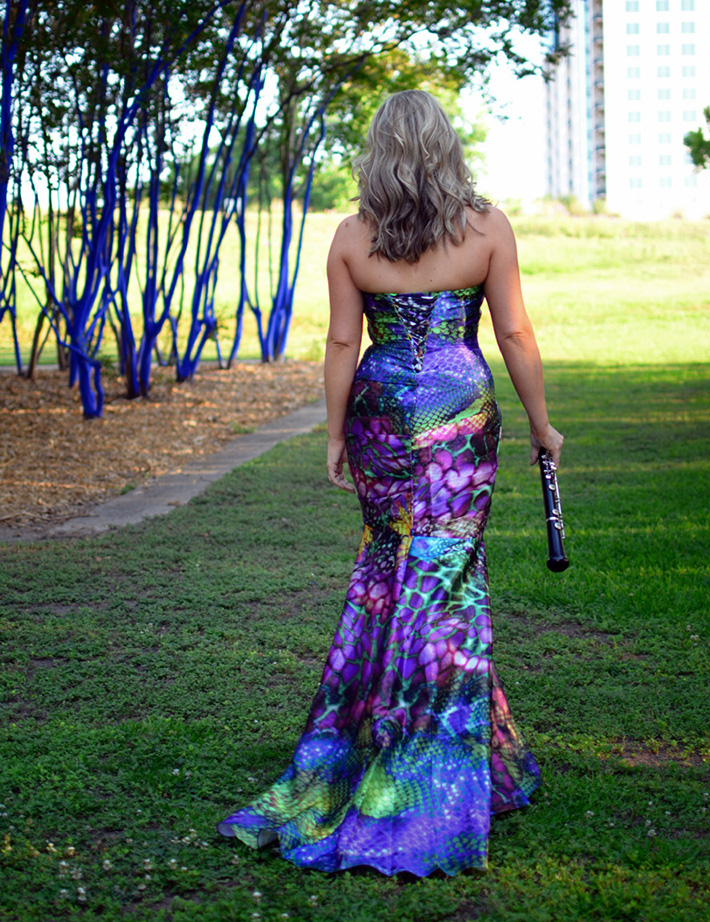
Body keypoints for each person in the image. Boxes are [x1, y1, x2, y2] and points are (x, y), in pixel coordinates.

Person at [217, 90, 564, 877]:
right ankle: (433, 757)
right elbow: (513, 330)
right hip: (458, 409)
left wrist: (336, 432)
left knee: (388, 570)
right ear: (446, 148)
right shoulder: (486, 228)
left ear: (377, 152)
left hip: (380, 410)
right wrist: (542, 425)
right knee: (447, 573)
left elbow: (344, 341)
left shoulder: (352, 236)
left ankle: (419, 739)